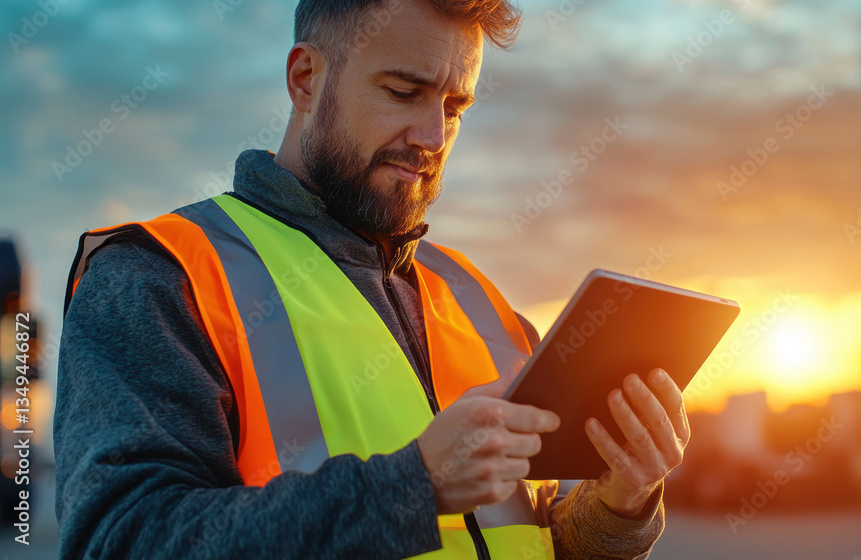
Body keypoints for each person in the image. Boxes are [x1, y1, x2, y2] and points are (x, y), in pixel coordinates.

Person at [54, 0, 691, 558]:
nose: (433, 135)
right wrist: (414, 488)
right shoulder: (162, 275)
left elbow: (526, 541)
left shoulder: (481, 303)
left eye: (454, 104)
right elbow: (120, 540)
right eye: (403, 91)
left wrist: (618, 506)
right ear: (305, 78)